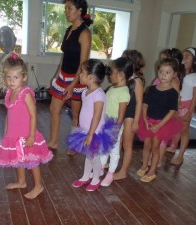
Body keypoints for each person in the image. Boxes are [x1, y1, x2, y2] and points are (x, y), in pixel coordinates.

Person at [0, 53, 53, 199]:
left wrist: (32, 135)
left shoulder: (25, 93)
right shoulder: (9, 93)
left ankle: (38, 186)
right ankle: (21, 182)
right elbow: (9, 113)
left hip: (27, 134)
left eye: (16, 77)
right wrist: (6, 131)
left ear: (24, 77)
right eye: (9, 77)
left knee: (32, 161)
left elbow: (33, 115)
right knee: (17, 159)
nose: (11, 81)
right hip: (14, 134)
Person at [48, 0, 93, 154]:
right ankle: (53, 142)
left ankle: (74, 145)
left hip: (78, 79)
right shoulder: (68, 30)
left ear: (79, 10)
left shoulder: (85, 33)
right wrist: (57, 75)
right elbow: (65, 56)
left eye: (69, 8)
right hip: (63, 76)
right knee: (54, 109)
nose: (65, 11)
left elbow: (83, 62)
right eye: (65, 8)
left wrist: (73, 84)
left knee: (75, 114)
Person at [67, 59, 118, 191]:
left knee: (93, 157)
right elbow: (85, 111)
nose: (79, 75)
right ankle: (85, 177)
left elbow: (96, 116)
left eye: (82, 73)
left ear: (90, 77)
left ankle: (95, 179)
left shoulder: (99, 95)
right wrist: (80, 125)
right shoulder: (85, 92)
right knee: (88, 155)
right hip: (85, 130)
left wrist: (90, 134)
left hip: (94, 132)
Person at [136, 58, 183, 182]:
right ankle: (144, 166)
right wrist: (145, 119)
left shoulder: (172, 93)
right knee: (146, 146)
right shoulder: (151, 89)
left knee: (155, 148)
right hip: (148, 121)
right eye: (161, 71)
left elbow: (172, 111)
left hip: (161, 124)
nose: (163, 75)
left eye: (167, 72)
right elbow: (145, 104)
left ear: (174, 74)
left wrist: (159, 125)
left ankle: (152, 171)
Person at [100, 57, 133, 187]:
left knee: (113, 150)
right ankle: (101, 167)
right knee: (104, 147)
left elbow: (121, 114)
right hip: (105, 123)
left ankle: (111, 173)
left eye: (111, 72)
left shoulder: (124, 92)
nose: (109, 75)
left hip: (114, 125)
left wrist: (116, 129)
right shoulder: (112, 89)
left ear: (121, 74)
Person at [148, 48, 183, 167]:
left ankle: (159, 159)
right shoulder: (158, 80)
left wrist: (176, 111)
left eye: (164, 59)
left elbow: (177, 97)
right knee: (154, 140)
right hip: (155, 113)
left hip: (165, 115)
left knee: (162, 140)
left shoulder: (173, 81)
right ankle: (153, 158)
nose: (162, 61)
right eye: (161, 59)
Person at [113, 50, 145, 180]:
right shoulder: (125, 78)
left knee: (127, 144)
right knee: (118, 141)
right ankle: (114, 165)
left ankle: (123, 171)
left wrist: (136, 120)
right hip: (124, 113)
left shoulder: (137, 81)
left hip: (131, 116)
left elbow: (139, 102)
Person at [170, 47, 196, 165]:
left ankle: (180, 155)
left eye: (187, 56)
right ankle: (173, 146)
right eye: (183, 56)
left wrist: (189, 112)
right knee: (177, 126)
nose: (184, 58)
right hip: (178, 103)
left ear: (194, 60)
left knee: (184, 130)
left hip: (187, 105)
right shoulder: (181, 73)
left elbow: (195, 97)